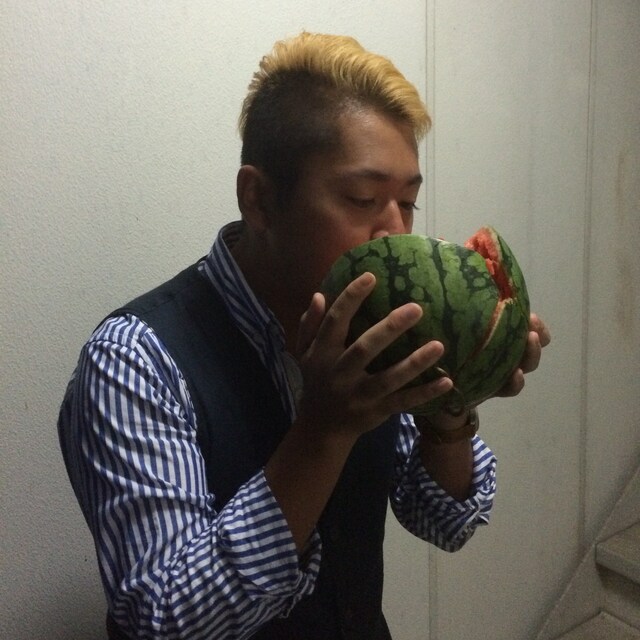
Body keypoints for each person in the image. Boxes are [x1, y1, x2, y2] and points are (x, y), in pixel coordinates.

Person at [58, 32, 550, 640]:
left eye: (408, 203)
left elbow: (445, 520)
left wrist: (451, 403)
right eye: (362, 199)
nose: (395, 233)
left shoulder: (377, 329)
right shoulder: (134, 362)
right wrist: (324, 430)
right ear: (259, 200)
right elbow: (163, 622)